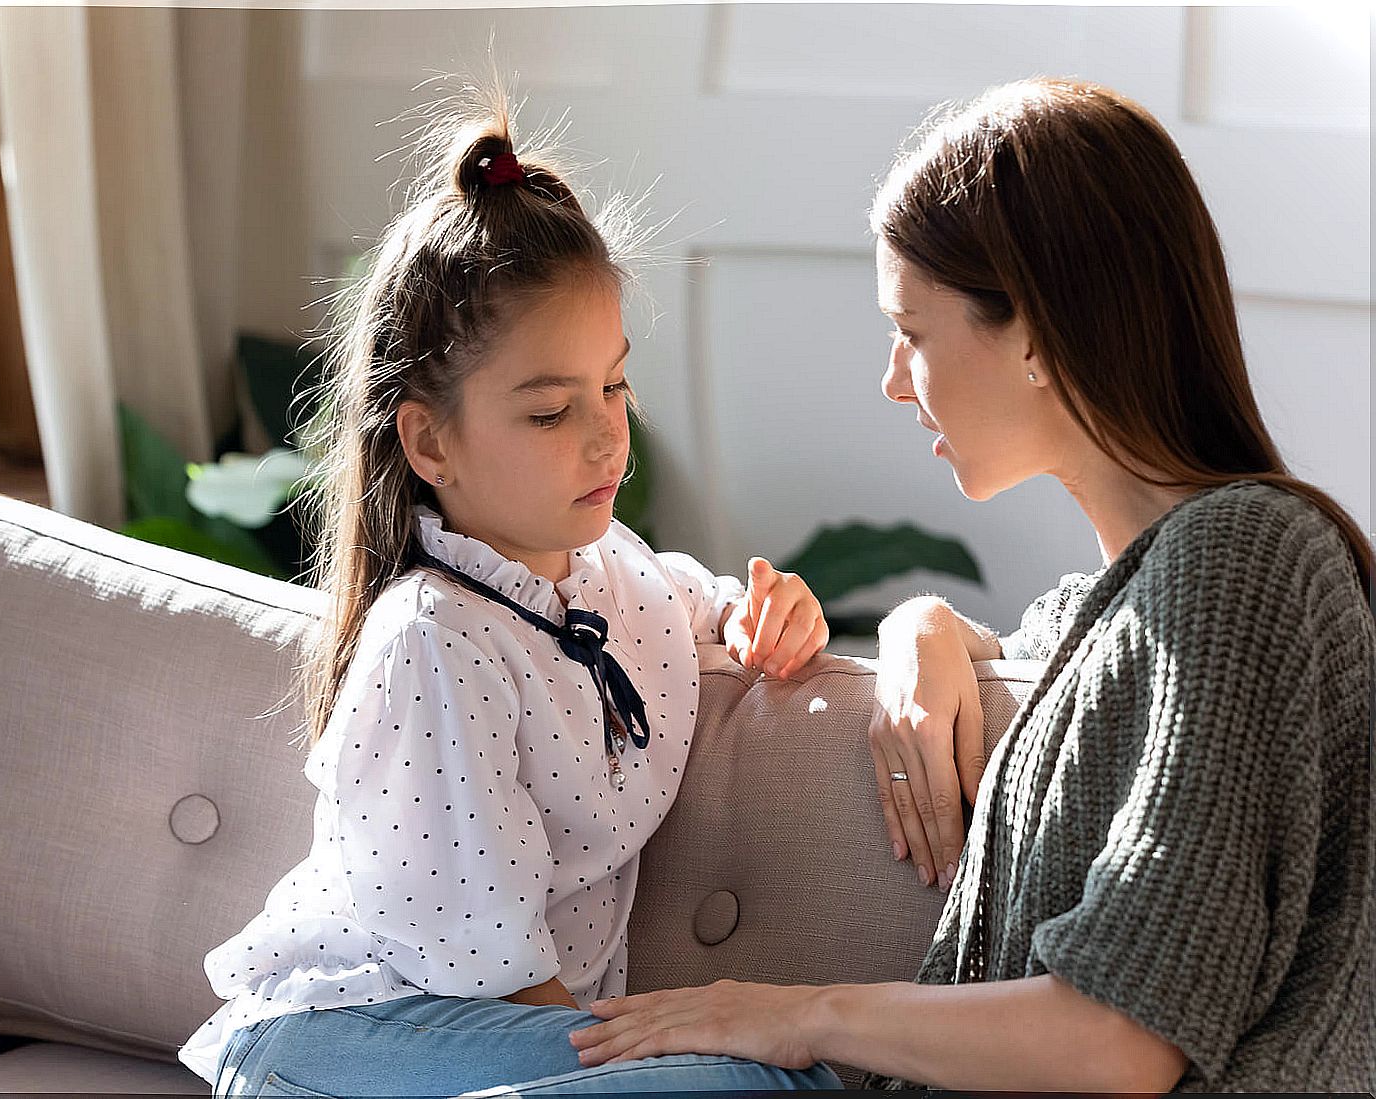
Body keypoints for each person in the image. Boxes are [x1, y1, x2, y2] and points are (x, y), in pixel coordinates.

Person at [568, 77, 1374, 1093]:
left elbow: (1120, 1039)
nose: (894, 380)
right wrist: (922, 624)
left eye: (910, 330)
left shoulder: (1244, 559)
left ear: (1033, 332)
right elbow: (1042, 645)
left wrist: (790, 1013)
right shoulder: (1138, 597)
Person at [176, 85, 842, 1097]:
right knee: (753, 1087)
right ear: (429, 440)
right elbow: (494, 972)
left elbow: (696, 606)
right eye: (549, 412)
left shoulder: (610, 571)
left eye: (613, 386)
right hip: (335, 1043)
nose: (606, 434)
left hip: (490, 1037)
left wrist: (772, 613)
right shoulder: (433, 638)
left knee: (772, 1079)